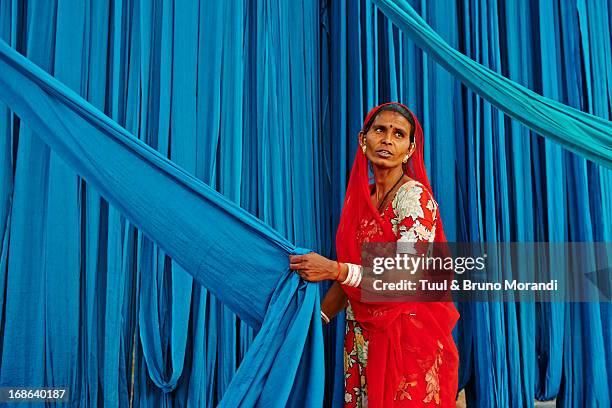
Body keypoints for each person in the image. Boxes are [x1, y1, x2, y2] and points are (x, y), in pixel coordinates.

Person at [289, 102, 459, 407]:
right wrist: (316, 322)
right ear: (362, 139)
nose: (387, 140)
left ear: (410, 149)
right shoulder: (361, 199)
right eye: (380, 130)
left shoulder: (415, 199)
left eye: (398, 134)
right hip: (360, 338)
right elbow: (350, 281)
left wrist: (333, 269)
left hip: (407, 340)